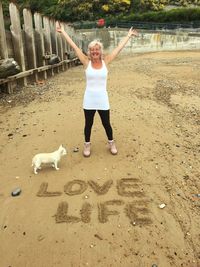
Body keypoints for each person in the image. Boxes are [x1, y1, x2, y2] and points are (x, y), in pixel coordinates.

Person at [56, 22, 138, 157]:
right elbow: (74, 47)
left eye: (97, 49)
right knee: (88, 124)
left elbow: (118, 48)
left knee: (106, 123)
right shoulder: (86, 62)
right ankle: (87, 145)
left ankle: (111, 143)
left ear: (100, 51)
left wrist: (128, 36)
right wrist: (63, 32)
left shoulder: (106, 61)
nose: (95, 51)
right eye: (92, 50)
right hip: (89, 99)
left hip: (102, 99)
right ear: (90, 52)